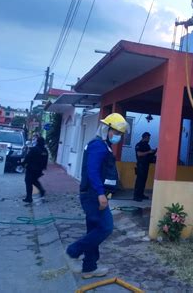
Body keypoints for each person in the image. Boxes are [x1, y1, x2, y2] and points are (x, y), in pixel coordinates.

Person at [66, 113, 129, 279]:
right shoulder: (98, 146)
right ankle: (72, 252)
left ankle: (89, 267)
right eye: (115, 132)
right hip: (94, 196)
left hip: (95, 194)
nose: (118, 136)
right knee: (106, 227)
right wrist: (101, 194)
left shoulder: (103, 146)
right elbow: (93, 171)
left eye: (120, 134)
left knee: (93, 230)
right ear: (106, 129)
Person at [22, 136, 48, 203]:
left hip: (31, 169)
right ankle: (41, 190)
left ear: (37, 142)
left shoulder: (34, 149)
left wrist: (22, 163)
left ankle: (29, 198)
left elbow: (28, 158)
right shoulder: (45, 150)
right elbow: (46, 161)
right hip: (39, 170)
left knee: (28, 182)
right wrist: (43, 168)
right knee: (34, 180)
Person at [133, 132, 156, 202]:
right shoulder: (139, 145)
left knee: (143, 181)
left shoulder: (147, 145)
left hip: (146, 165)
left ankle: (141, 194)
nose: (149, 139)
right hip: (141, 165)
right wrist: (149, 152)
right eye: (148, 138)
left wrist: (153, 152)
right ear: (145, 137)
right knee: (139, 181)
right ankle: (136, 196)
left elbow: (148, 154)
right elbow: (139, 154)